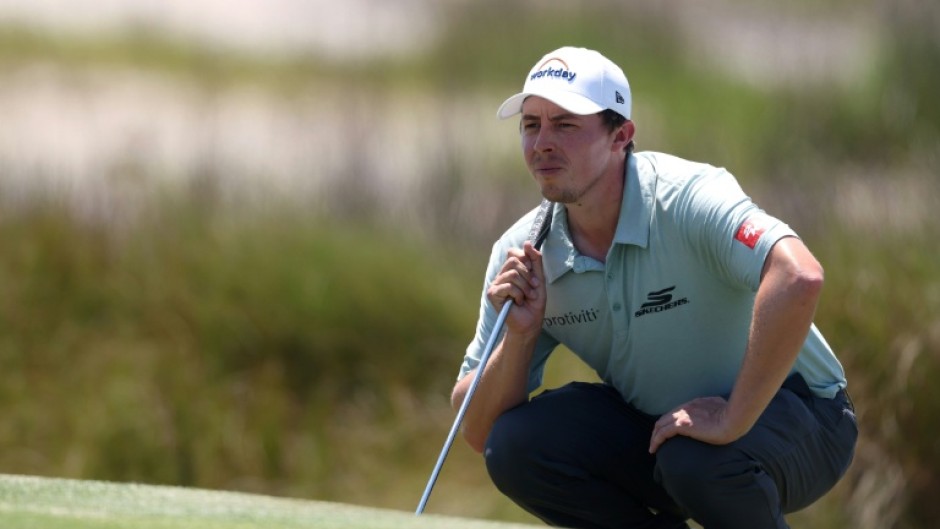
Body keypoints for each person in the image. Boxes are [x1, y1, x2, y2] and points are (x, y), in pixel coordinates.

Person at [451, 46, 857, 529]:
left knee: (697, 461)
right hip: (662, 427)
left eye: (564, 125)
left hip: (804, 413)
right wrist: (519, 339)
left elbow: (799, 276)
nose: (541, 143)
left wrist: (732, 417)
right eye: (531, 124)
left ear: (621, 135)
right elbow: (476, 430)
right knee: (515, 446)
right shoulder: (523, 254)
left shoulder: (688, 198)